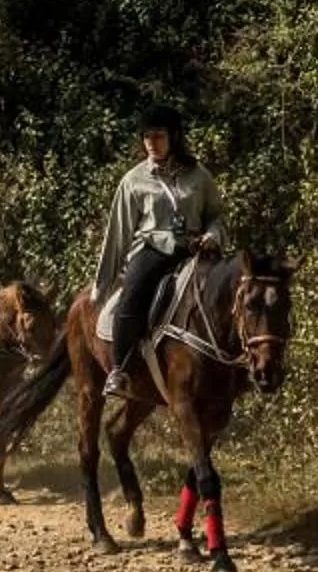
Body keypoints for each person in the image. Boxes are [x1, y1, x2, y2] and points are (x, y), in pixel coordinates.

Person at [90, 106, 229, 398]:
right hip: (153, 251)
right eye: (147, 137)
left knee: (234, 290)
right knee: (132, 295)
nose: (152, 143)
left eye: (159, 136)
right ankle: (120, 369)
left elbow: (217, 214)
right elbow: (117, 234)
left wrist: (213, 235)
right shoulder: (133, 181)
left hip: (197, 250)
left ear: (174, 137)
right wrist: (101, 285)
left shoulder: (198, 175)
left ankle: (239, 364)